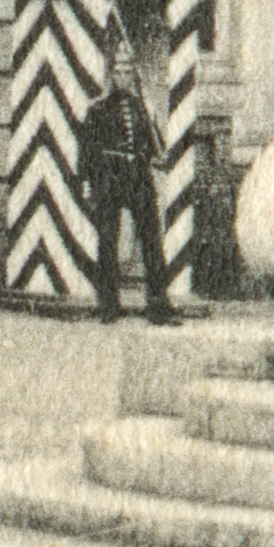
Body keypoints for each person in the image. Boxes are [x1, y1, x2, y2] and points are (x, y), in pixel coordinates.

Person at [79, 19, 181, 325]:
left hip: (137, 177)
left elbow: (151, 146)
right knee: (108, 241)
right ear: (111, 75)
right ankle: (109, 304)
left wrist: (155, 155)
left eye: (128, 70)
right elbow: (86, 149)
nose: (123, 76)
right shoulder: (98, 109)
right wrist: (87, 183)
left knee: (151, 239)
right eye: (119, 71)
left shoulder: (140, 107)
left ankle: (158, 305)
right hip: (109, 178)